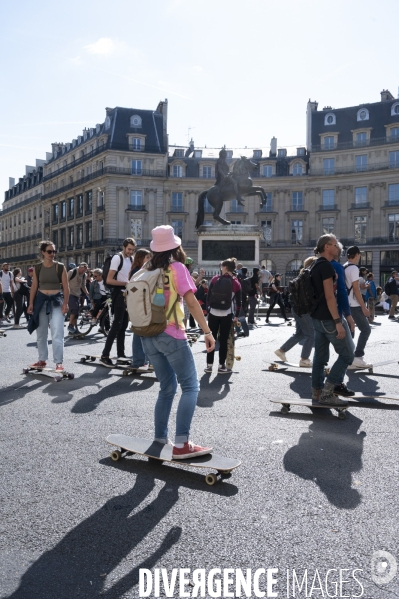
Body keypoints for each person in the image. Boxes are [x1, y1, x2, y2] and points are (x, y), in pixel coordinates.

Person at [140, 225, 215, 459]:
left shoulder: (145, 269)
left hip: (146, 334)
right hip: (171, 333)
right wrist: (207, 331)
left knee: (166, 388)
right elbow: (191, 303)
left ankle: (160, 437)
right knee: (191, 386)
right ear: (175, 246)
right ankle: (182, 443)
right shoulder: (177, 268)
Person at [310, 234, 354, 405]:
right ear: (327, 247)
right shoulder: (327, 267)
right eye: (335, 245)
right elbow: (330, 297)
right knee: (348, 354)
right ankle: (328, 393)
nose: (338, 248)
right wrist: (338, 322)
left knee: (320, 358)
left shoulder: (314, 265)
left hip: (316, 318)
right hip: (329, 319)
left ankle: (317, 392)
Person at [27, 240, 69, 372]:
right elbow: (34, 286)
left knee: (57, 332)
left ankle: (59, 362)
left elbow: (66, 288)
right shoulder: (37, 268)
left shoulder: (60, 267)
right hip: (41, 301)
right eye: (49, 251)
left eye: (54, 251)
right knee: (41, 333)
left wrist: (66, 304)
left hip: (56, 301)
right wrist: (31, 303)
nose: (52, 254)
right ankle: (42, 360)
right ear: (43, 252)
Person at [100, 238, 136, 366]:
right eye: (129, 249)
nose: (131, 252)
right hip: (118, 292)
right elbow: (109, 280)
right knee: (117, 324)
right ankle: (105, 355)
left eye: (132, 250)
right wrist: (126, 283)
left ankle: (121, 355)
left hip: (127, 293)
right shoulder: (117, 258)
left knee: (124, 325)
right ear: (123, 247)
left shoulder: (131, 259)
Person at [274, 257, 315, 367]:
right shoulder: (309, 276)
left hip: (296, 308)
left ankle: (281, 350)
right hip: (303, 309)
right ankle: (304, 359)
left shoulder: (301, 275)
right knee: (311, 334)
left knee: (300, 333)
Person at [205, 257, 242, 374]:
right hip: (227, 314)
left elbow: (208, 297)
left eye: (222, 266)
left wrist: (207, 311)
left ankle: (209, 365)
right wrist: (236, 316)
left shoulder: (215, 279)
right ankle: (221, 366)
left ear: (225, 267)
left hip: (213, 313)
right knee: (224, 340)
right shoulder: (236, 282)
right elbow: (239, 302)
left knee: (212, 339)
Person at [343, 246, 372, 369]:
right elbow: (356, 289)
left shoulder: (344, 266)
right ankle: (357, 357)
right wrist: (363, 307)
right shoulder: (354, 268)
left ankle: (349, 358)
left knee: (350, 331)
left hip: (345, 304)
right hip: (354, 305)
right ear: (357, 255)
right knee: (366, 329)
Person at [129, 248, 152, 370]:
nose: (149, 260)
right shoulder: (138, 272)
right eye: (147, 258)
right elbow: (135, 289)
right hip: (141, 306)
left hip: (139, 305)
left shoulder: (138, 271)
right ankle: (140, 360)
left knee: (141, 333)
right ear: (140, 258)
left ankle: (140, 360)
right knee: (141, 333)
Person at [67, 263, 89, 334]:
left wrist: (87, 293)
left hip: (77, 294)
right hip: (70, 293)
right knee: (75, 309)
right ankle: (70, 325)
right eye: (83, 270)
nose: (83, 272)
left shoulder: (84, 275)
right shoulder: (72, 272)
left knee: (76, 313)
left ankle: (72, 329)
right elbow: (65, 282)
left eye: (85, 271)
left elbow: (83, 285)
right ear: (79, 267)